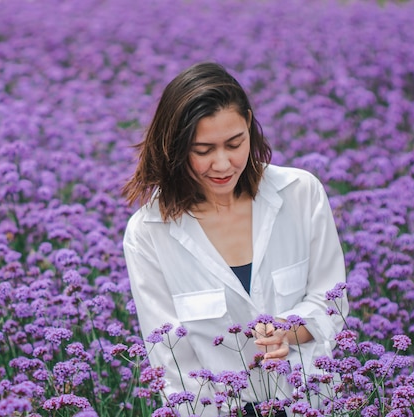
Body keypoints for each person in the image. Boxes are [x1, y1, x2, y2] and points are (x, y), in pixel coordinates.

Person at [122, 62, 348, 416]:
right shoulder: (149, 232)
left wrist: (286, 333)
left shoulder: (301, 194)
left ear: (250, 125)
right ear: (176, 148)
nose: (223, 164)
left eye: (234, 143)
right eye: (203, 150)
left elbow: (331, 304)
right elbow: (171, 360)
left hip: (311, 402)